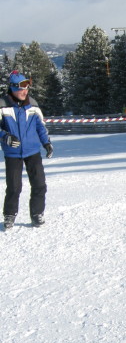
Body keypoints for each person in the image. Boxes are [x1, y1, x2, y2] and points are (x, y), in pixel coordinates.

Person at [0, 71, 53, 230]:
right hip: (13, 153)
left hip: (32, 151)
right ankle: (9, 215)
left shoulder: (33, 104)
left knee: (39, 184)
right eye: (21, 88)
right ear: (12, 88)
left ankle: (37, 214)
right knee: (14, 186)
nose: (25, 91)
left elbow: (40, 127)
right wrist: (5, 136)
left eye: (27, 87)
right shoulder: (2, 105)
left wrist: (47, 143)